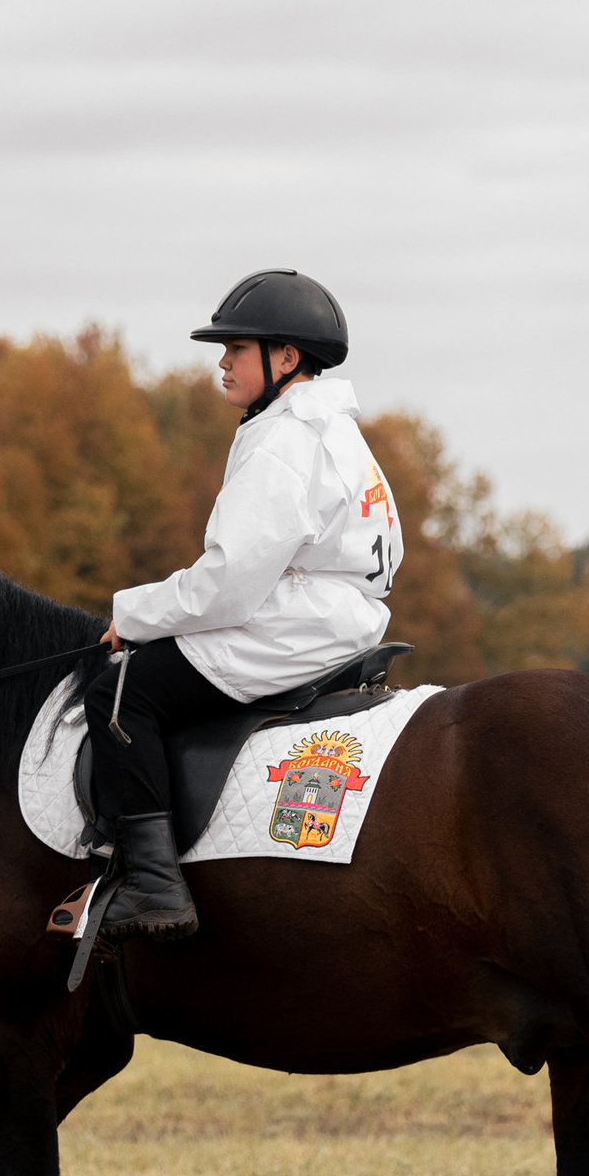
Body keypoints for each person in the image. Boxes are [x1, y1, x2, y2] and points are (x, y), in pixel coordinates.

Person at [85, 268, 404, 941]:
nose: (223, 363)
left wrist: (132, 615)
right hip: (343, 617)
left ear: (285, 358)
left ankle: (154, 885)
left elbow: (227, 584)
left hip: (296, 626)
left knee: (121, 692)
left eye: (236, 348)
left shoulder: (284, 442)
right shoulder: (339, 431)